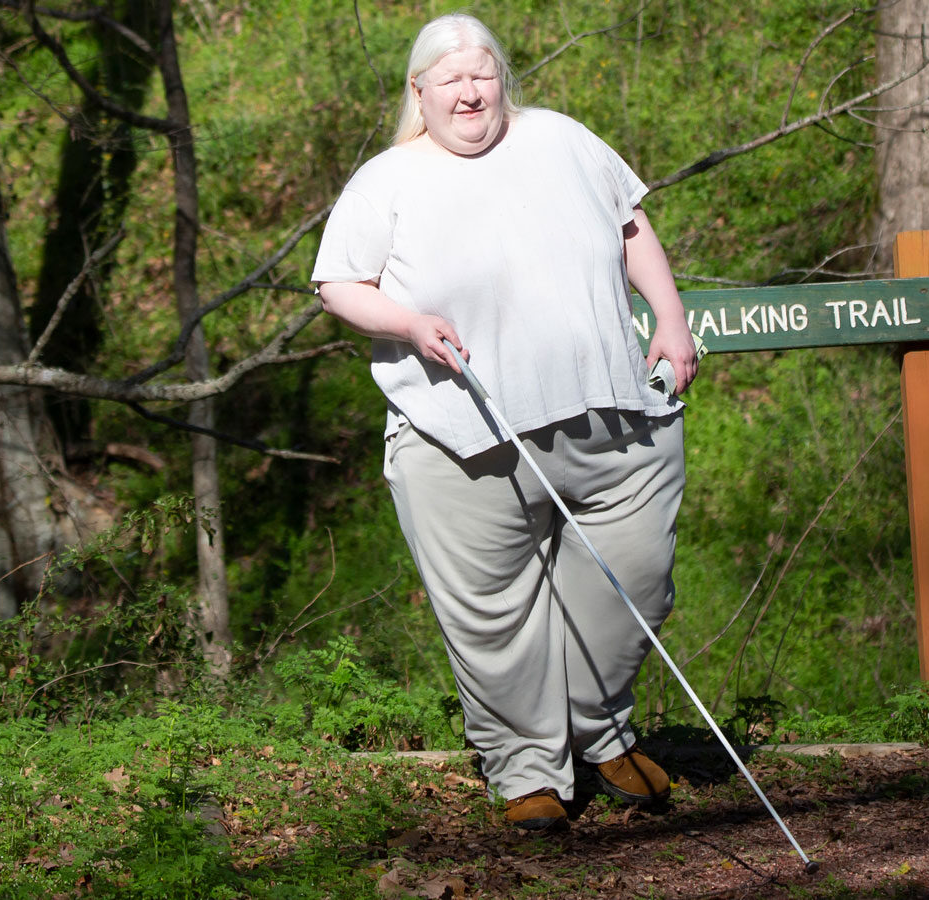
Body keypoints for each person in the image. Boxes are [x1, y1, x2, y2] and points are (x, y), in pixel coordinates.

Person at [311, 12, 697, 831]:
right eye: (448, 79)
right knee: (492, 613)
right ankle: (528, 769)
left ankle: (601, 732)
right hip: (465, 439)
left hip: (613, 416)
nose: (468, 91)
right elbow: (340, 285)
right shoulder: (387, 179)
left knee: (636, 579)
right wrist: (411, 324)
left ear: (502, 80)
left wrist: (670, 316)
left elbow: (630, 225)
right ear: (419, 92)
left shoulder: (562, 139)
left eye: (481, 73)